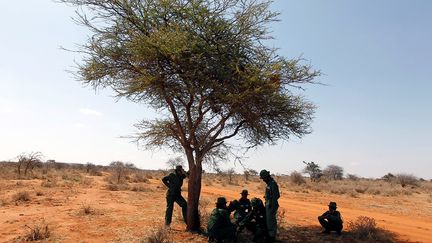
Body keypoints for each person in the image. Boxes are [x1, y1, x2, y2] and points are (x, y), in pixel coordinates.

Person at [259, 169, 280, 242]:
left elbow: (276, 196)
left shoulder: (273, 183)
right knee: (268, 222)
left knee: (271, 223)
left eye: (264, 178)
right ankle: (269, 237)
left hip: (271, 206)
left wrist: (271, 206)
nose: (263, 180)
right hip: (268, 205)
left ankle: (272, 238)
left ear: (266, 177)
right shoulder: (269, 183)